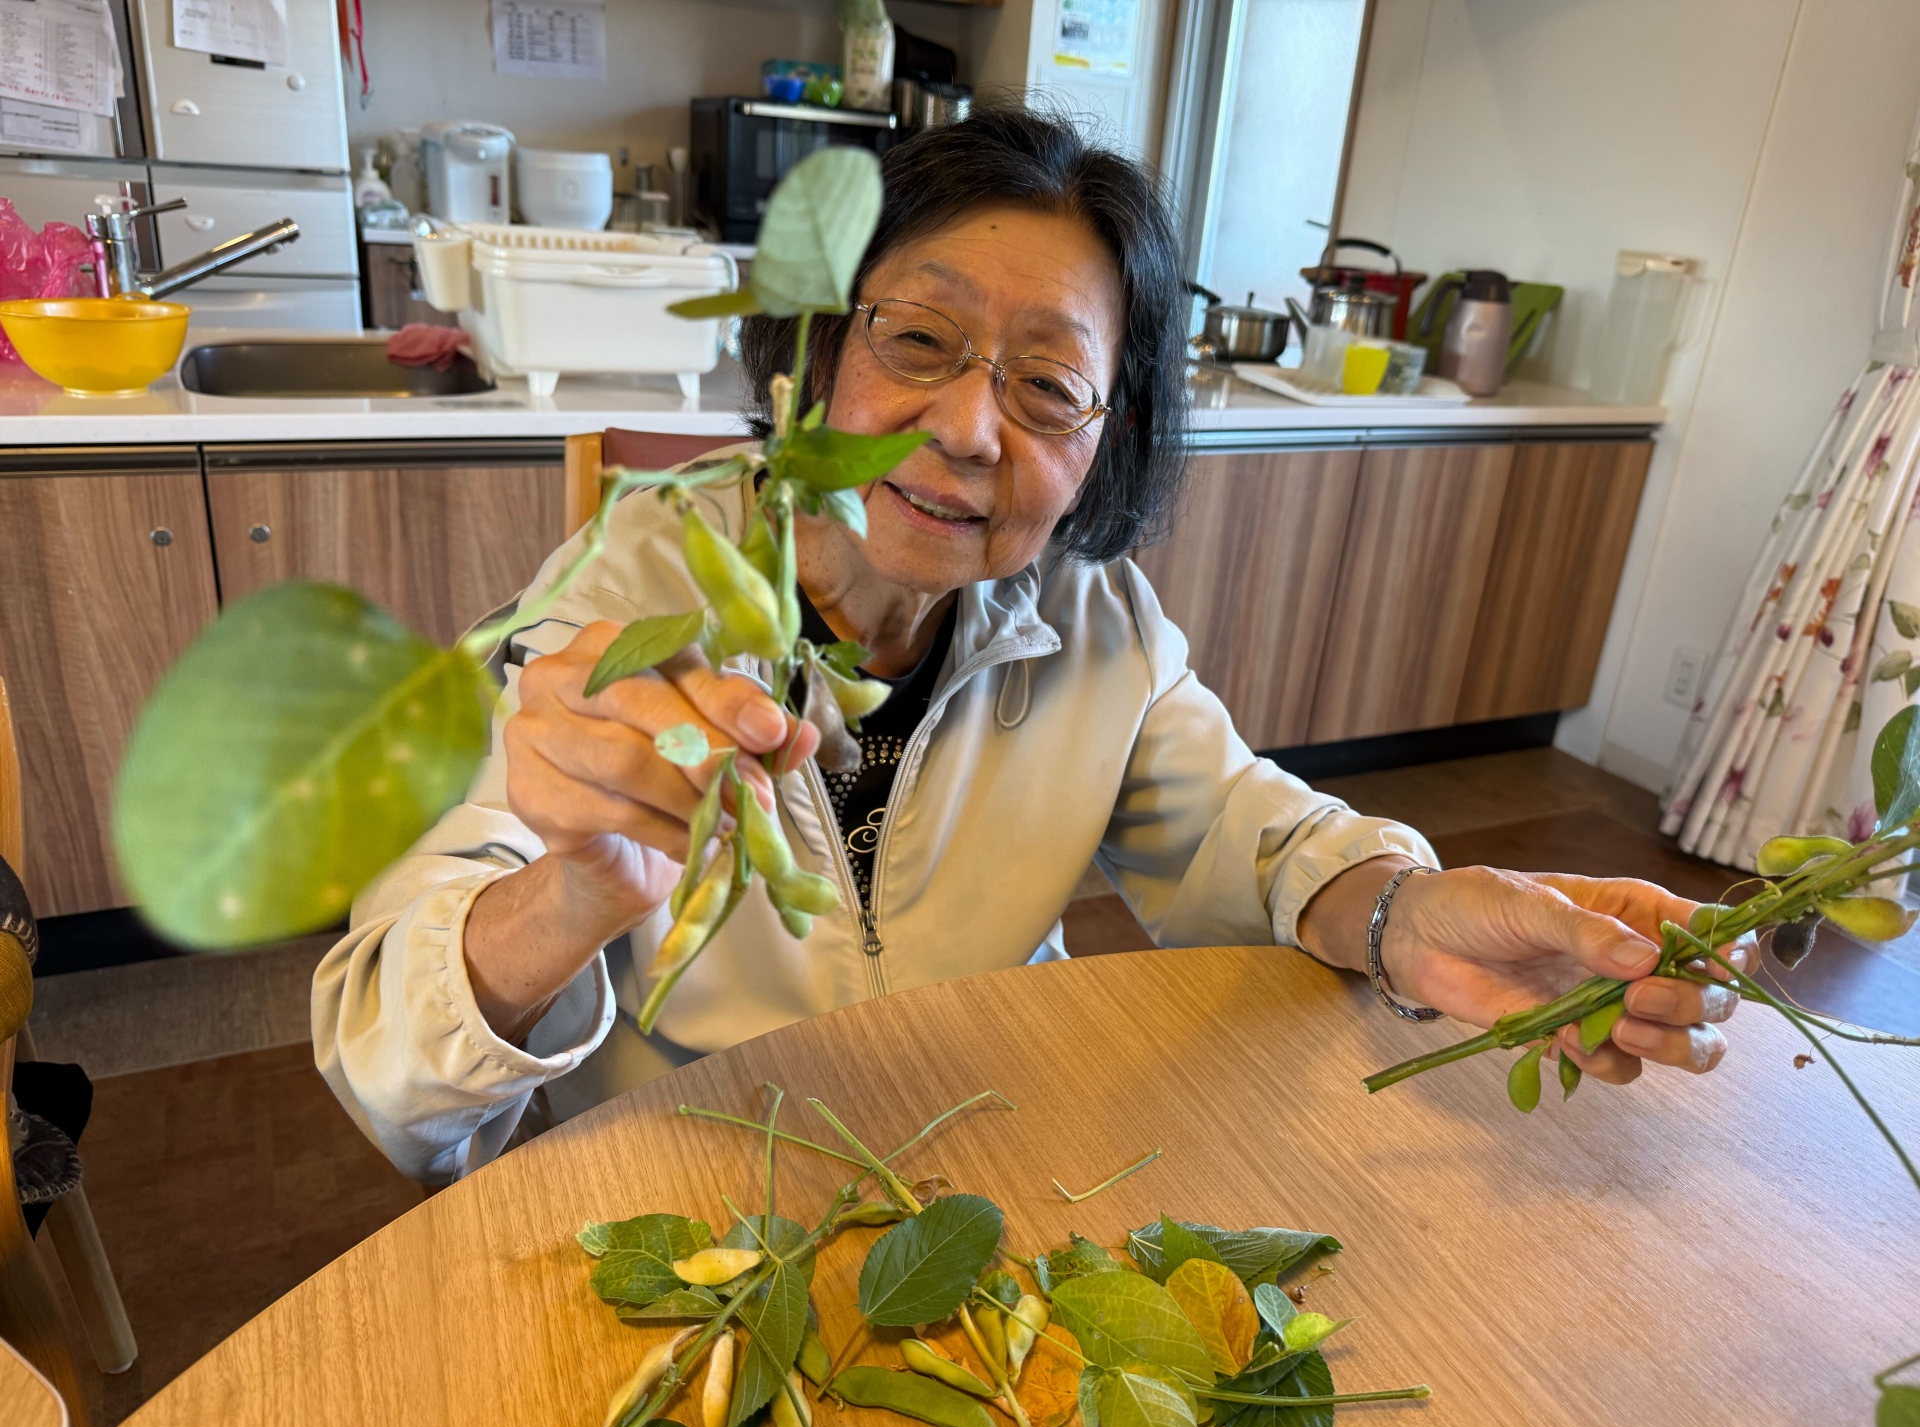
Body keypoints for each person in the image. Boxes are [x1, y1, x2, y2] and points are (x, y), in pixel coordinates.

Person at [313, 108, 1753, 1185]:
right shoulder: (628, 609)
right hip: (687, 1202)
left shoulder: (1092, 619)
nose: (966, 429)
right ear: (816, 351)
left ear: (1104, 442)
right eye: (917, 339)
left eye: (1049, 385)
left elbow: (1246, 833)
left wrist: (1409, 916)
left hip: (986, 1169)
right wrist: (568, 896)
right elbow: (388, 1075)